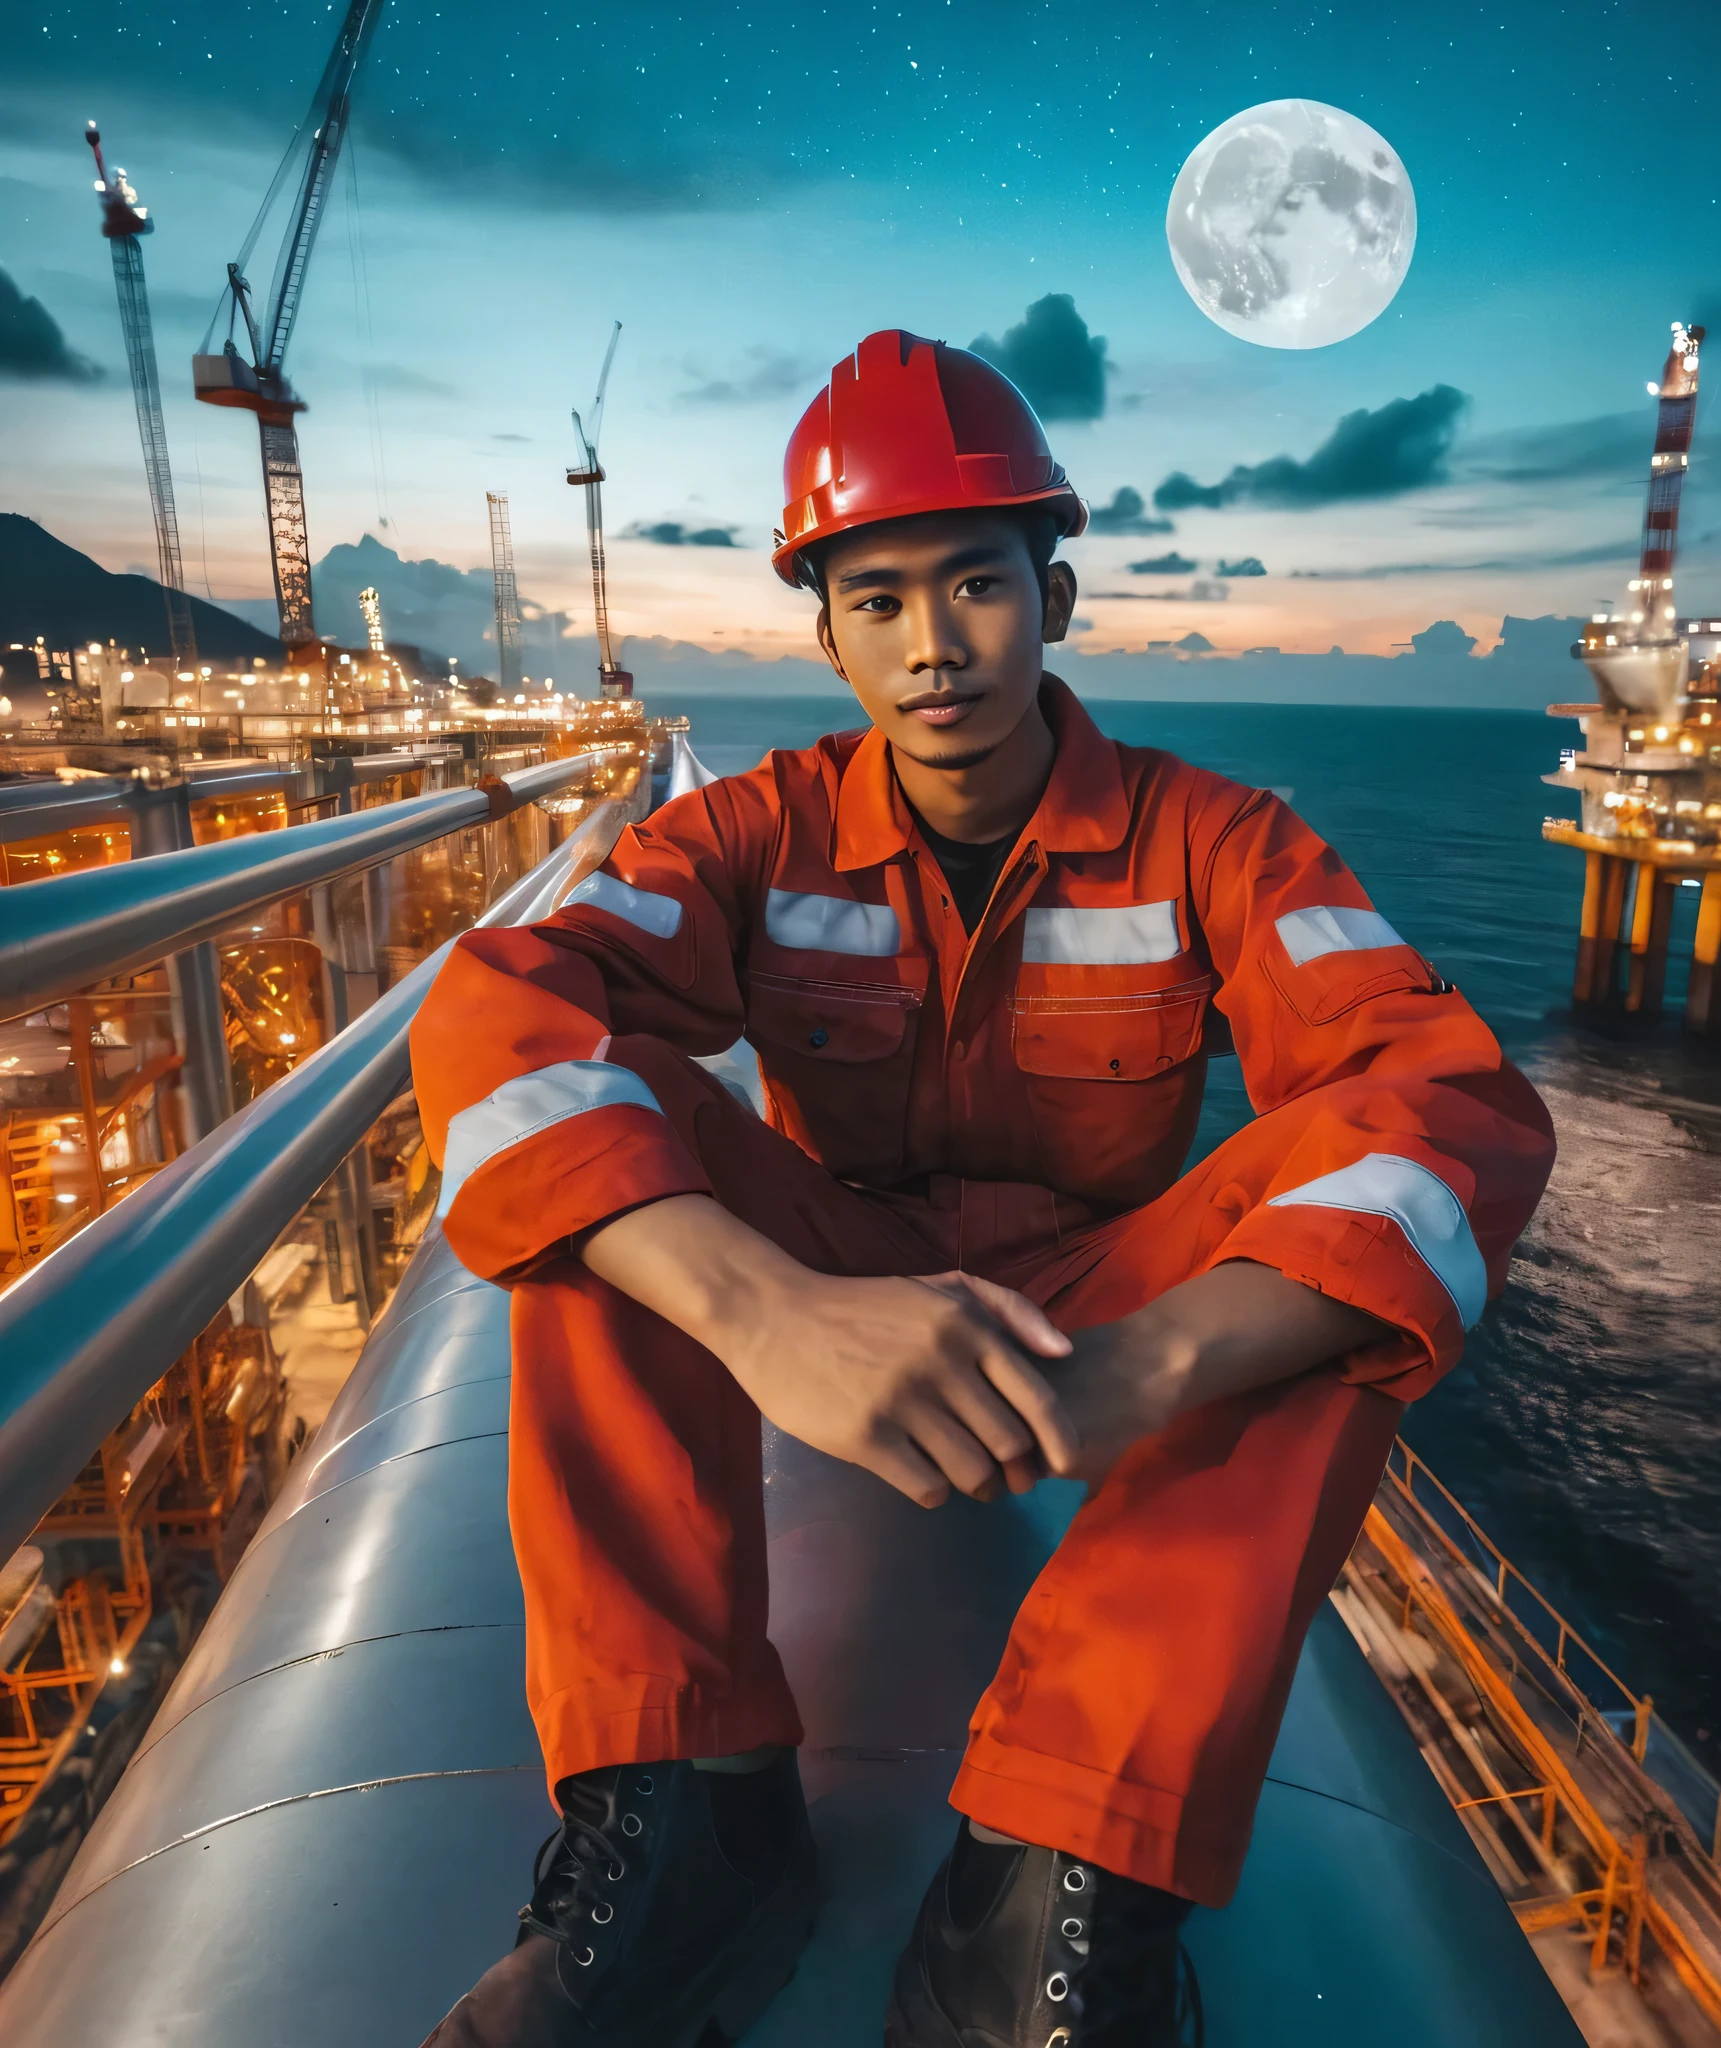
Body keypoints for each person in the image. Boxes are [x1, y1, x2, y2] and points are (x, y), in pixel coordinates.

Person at [411, 329, 1555, 2048]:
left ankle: (1049, 1869)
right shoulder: (753, 834)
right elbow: (500, 1005)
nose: (932, 645)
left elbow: (1445, 1093)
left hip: (1102, 1285)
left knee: (1352, 1225)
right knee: (598, 1123)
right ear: (826, 633)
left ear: (1058, 595)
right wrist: (771, 1313)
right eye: (875, 600)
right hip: (843, 1274)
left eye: (975, 585)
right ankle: (696, 1803)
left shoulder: (1223, 844)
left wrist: (1158, 1370)